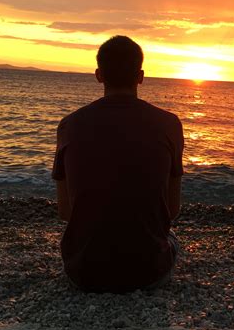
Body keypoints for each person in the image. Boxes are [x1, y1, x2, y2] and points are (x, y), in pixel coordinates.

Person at [52, 35, 184, 293]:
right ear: (141, 76)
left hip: (83, 273)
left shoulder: (69, 124)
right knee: (172, 239)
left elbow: (65, 213)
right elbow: (172, 209)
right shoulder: (169, 124)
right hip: (149, 273)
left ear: (99, 75)